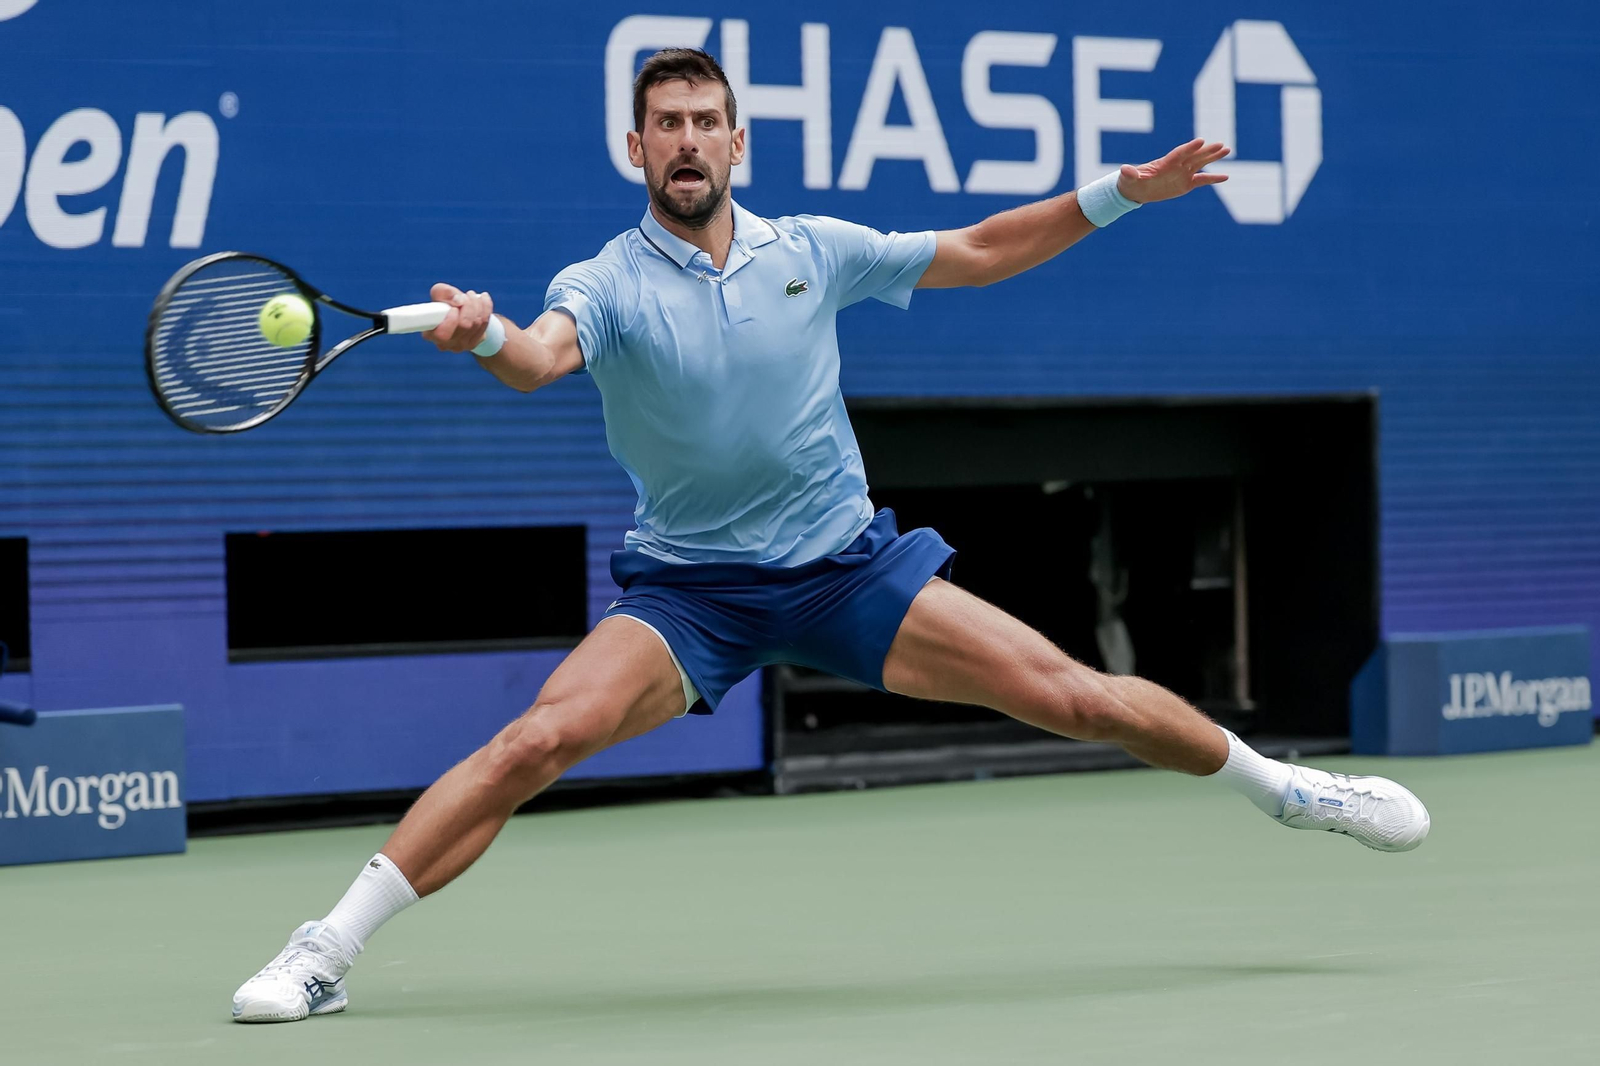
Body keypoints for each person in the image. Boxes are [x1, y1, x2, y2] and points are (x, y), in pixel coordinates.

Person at [232, 48, 1429, 1023]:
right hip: (689, 595)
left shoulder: (810, 251)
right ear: (634, 148)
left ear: (736, 142)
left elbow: (978, 251)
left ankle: (1288, 791)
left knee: (1075, 694)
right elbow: (542, 359)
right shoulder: (602, 279)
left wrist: (1121, 192)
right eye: (667, 122)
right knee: (534, 738)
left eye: (707, 120)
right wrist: (487, 337)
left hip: (847, 570)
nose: (688, 139)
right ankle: (323, 950)